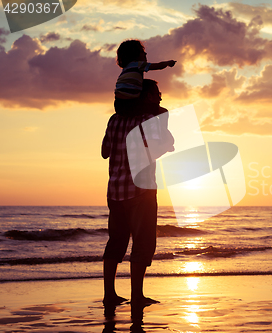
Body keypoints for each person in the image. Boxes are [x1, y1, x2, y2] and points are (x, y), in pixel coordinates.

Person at [102, 80, 172, 306]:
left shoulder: (114, 120)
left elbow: (105, 152)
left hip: (115, 190)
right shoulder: (148, 120)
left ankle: (109, 295)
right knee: (143, 243)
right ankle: (136, 296)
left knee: (116, 241)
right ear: (147, 97)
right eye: (157, 93)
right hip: (141, 190)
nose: (160, 97)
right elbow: (158, 149)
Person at [114, 39, 176, 116]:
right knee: (163, 113)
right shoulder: (138, 65)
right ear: (134, 54)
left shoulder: (126, 68)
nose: (145, 54)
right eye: (142, 51)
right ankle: (162, 128)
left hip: (118, 104)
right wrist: (168, 63)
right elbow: (158, 66)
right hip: (132, 103)